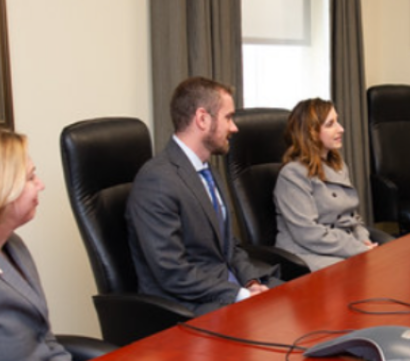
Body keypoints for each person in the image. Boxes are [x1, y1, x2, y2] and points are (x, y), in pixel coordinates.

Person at [126, 77, 278, 315]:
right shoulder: (156, 181)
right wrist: (239, 295)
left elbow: (230, 245)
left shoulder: (209, 171)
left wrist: (252, 283)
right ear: (202, 119)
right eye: (228, 117)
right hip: (189, 306)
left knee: (298, 299)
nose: (234, 127)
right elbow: (172, 272)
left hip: (228, 287)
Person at [0, 130, 76, 361]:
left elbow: (44, 337)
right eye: (31, 177)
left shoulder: (14, 245)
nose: (41, 185)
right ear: (6, 188)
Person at [274, 98, 377, 271]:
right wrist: (358, 249)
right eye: (330, 124)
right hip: (307, 253)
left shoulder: (338, 166)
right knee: (362, 274)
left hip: (342, 247)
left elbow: (352, 217)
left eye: (337, 121)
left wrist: (363, 239)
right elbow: (308, 234)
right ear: (311, 132)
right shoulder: (292, 174)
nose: (341, 129)